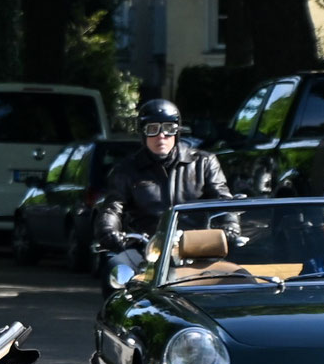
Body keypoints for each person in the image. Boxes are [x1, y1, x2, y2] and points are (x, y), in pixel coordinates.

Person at [95, 99, 233, 276]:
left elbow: (223, 200)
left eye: (168, 128)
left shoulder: (204, 162)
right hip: (146, 250)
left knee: (230, 279)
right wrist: (108, 231)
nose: (161, 136)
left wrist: (230, 226)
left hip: (197, 248)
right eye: (152, 129)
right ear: (143, 133)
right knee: (116, 272)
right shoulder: (126, 169)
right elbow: (113, 207)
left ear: (177, 131)